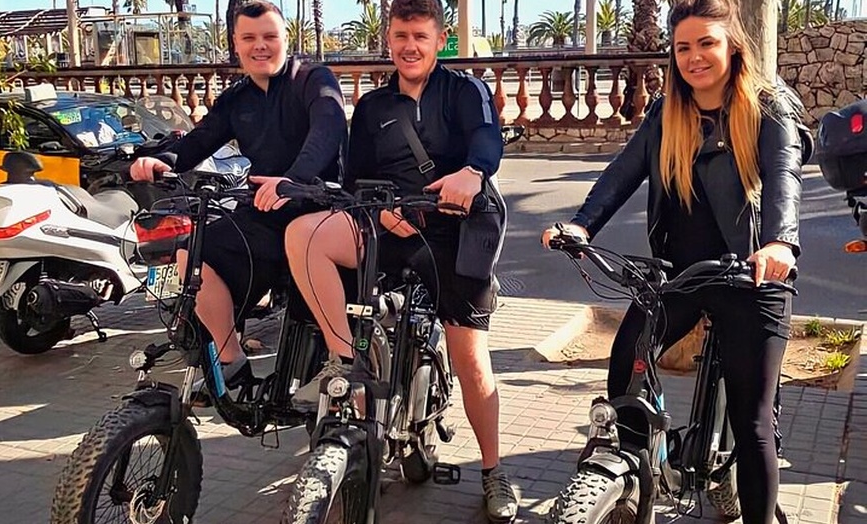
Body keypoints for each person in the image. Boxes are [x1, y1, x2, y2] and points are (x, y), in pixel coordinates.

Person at [542, 0, 811, 522]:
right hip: (679, 274)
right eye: (683, 47)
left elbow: (785, 177)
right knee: (625, 367)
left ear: (733, 46)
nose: (694, 57)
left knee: (752, 421)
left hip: (752, 273)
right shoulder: (668, 111)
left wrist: (780, 242)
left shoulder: (769, 106)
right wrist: (582, 225)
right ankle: (632, 477)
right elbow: (621, 174)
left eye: (706, 43)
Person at [281, 1, 518, 521]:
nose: (409, 45)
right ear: (388, 39)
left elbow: (487, 141)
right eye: (400, 36)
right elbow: (354, 178)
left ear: (438, 41)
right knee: (306, 234)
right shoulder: (371, 107)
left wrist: (472, 174)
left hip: (456, 233)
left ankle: (494, 471)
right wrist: (383, 212)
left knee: (470, 359)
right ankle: (347, 362)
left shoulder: (464, 91)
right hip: (390, 226)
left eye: (420, 35)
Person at [129, 0, 347, 402]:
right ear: (236, 43)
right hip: (263, 211)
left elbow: (328, 129)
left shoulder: (314, 80)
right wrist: (157, 160)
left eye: (269, 36)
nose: (259, 46)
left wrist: (293, 180)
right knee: (191, 254)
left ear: (286, 39)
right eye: (249, 38)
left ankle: (338, 371)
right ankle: (232, 364)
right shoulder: (236, 98)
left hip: (321, 211)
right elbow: (198, 141)